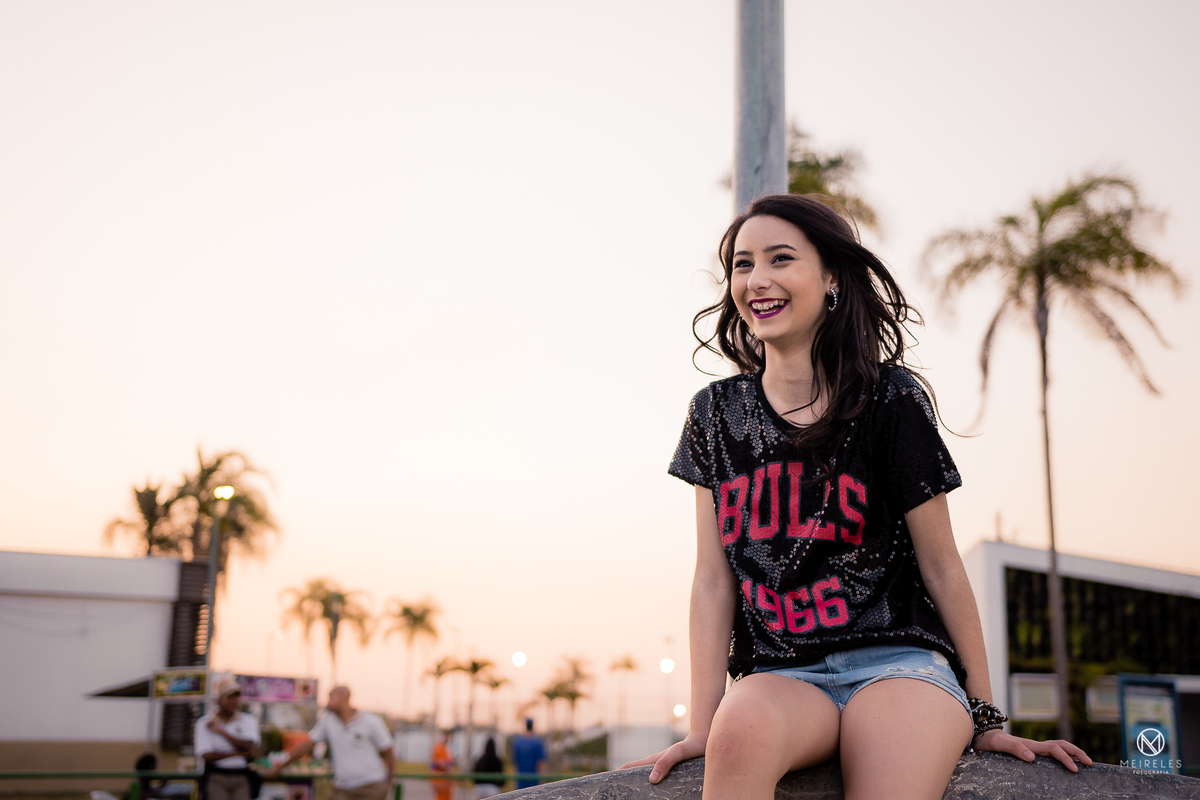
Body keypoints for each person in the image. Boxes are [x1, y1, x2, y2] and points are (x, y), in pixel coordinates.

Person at [622, 195, 1093, 800]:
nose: (756, 280)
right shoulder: (715, 414)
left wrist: (985, 716)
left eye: (780, 259)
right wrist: (700, 727)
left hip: (900, 666)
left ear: (832, 277)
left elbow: (942, 565)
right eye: (742, 265)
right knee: (734, 740)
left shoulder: (890, 400)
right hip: (781, 673)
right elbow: (714, 580)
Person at [266, 686, 394, 800]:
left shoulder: (371, 721)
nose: (328, 702)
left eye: (332, 697)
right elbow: (306, 746)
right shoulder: (328, 721)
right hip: (343, 788)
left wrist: (389, 782)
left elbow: (389, 751)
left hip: (371, 787)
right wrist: (281, 766)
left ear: (345, 697)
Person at [194, 678, 261, 800]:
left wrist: (221, 732)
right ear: (219, 699)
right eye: (229, 697)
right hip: (216, 777)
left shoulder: (247, 720)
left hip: (241, 776)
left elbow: (248, 746)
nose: (233, 701)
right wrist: (238, 754)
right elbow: (206, 755)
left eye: (236, 697)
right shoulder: (204, 722)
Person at [509, 719, 545, 790]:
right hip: (534, 779)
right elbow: (541, 763)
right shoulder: (537, 742)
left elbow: (514, 762)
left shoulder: (517, 742)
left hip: (521, 778)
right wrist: (542, 779)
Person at [429, 731, 456, 800]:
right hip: (440, 779)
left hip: (445, 780)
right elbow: (439, 763)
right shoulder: (439, 748)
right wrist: (448, 767)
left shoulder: (445, 748)